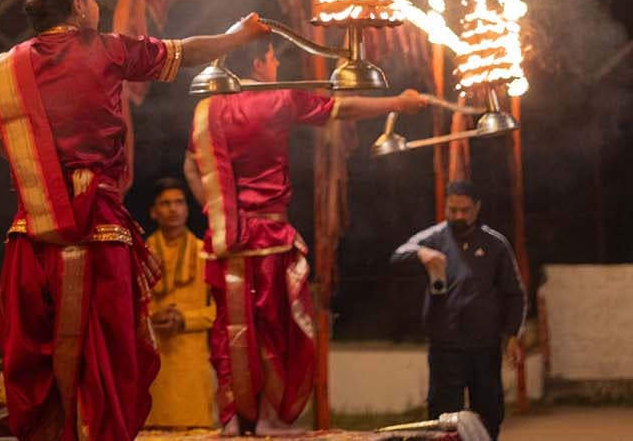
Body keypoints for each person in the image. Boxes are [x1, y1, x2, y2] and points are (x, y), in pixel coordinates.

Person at [0, 0, 269, 441]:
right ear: (77, 6)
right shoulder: (105, 48)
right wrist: (238, 36)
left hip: (33, 235)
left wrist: (52, 178)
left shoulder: (6, 67)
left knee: (36, 361)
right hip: (99, 234)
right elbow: (186, 51)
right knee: (111, 363)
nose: (98, 7)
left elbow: (3, 144)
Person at [183, 40, 427, 434]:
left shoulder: (207, 110)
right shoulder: (278, 99)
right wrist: (398, 102)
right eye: (273, 58)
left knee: (232, 328)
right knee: (273, 327)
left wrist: (218, 214)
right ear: (258, 64)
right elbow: (341, 108)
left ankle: (233, 420)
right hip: (269, 238)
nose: (277, 65)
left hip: (225, 238)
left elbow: (191, 168)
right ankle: (268, 417)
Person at [392, 180, 525, 440]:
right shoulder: (434, 238)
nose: (459, 216)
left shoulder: (495, 244)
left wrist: (512, 334)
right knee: (443, 415)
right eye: (453, 210)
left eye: (465, 210)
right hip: (445, 345)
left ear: (477, 208)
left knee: (488, 411)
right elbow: (398, 255)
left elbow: (514, 293)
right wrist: (421, 254)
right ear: (445, 207)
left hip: (484, 345)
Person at [142, 178, 217, 430]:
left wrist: (185, 319)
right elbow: (126, 309)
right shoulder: (141, 256)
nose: (173, 208)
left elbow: (218, 311)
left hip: (191, 366)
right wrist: (152, 316)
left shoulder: (205, 253)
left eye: (179, 202)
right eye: (165, 203)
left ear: (187, 209)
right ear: (153, 212)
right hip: (153, 365)